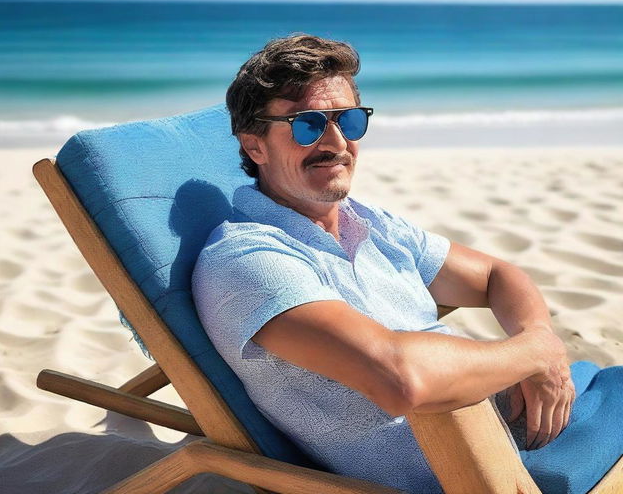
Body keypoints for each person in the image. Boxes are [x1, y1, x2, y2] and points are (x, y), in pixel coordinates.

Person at [192, 34, 577, 493]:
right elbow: (400, 379)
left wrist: (537, 342)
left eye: (349, 120)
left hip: (529, 412)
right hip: (477, 461)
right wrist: (537, 355)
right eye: (307, 125)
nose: (336, 142)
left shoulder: (370, 222)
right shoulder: (247, 260)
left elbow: (498, 275)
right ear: (255, 146)